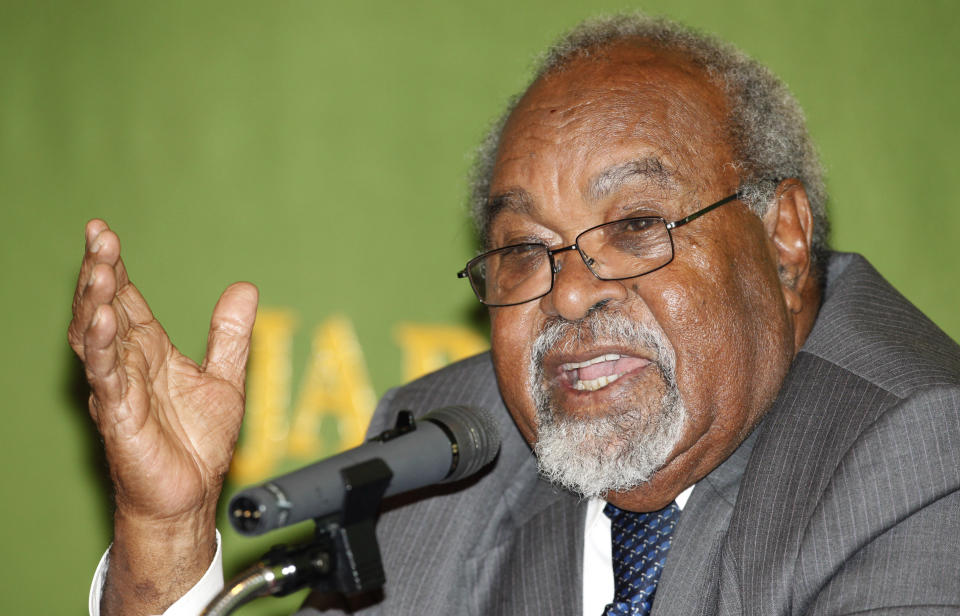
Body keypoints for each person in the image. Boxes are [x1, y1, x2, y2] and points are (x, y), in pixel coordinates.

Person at [72, 14, 960, 616]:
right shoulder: (442, 459)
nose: (569, 293)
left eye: (637, 226)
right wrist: (167, 533)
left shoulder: (922, 457)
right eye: (525, 250)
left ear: (785, 234)